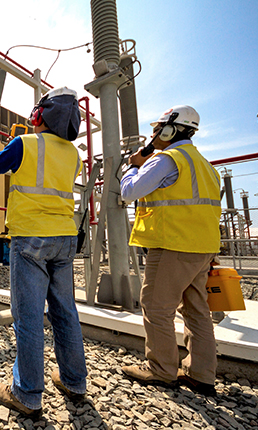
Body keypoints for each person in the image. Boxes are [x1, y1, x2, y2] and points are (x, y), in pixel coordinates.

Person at [0, 87, 88, 419]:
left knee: (29, 318)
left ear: (39, 116)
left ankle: (27, 394)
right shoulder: (74, 155)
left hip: (30, 237)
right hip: (64, 237)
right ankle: (74, 382)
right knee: (65, 312)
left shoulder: (24, 144)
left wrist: (9, 143)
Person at [120, 105, 221, 397]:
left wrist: (134, 166)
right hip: (202, 249)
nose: (153, 135)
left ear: (169, 130)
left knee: (156, 307)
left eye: (157, 129)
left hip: (172, 245)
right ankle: (202, 376)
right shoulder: (205, 165)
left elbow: (129, 192)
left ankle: (161, 370)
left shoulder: (165, 160)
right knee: (197, 312)